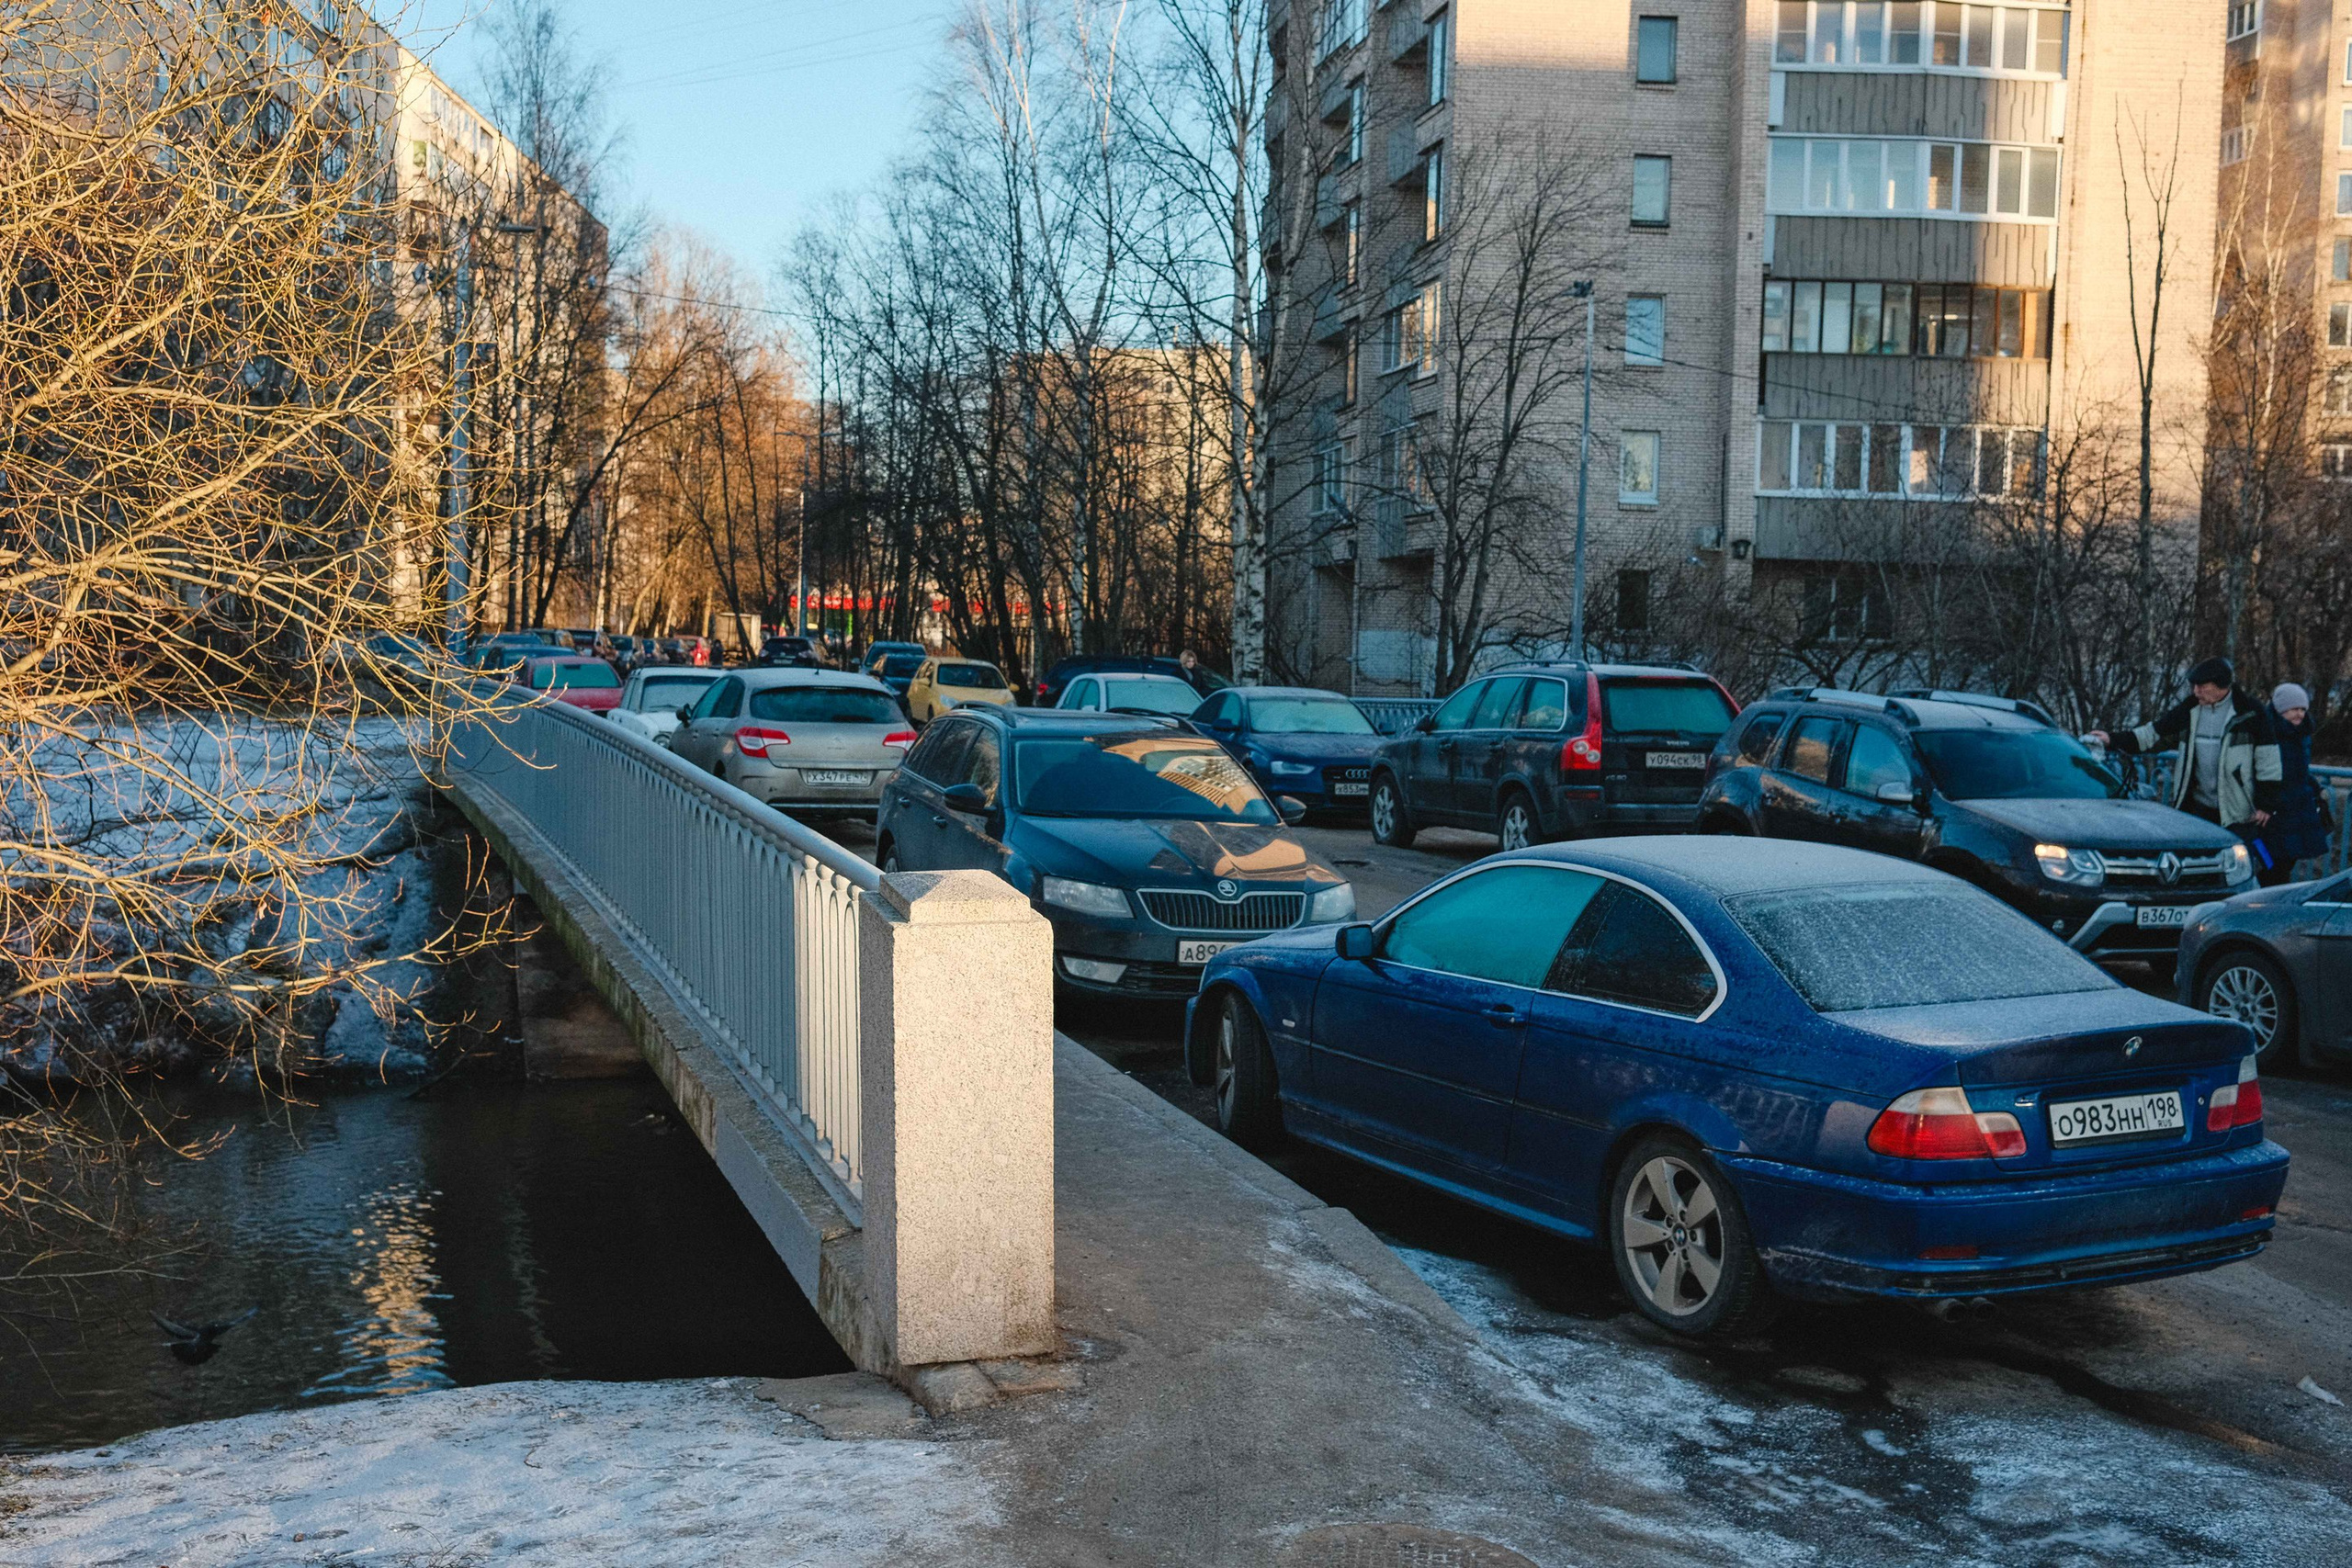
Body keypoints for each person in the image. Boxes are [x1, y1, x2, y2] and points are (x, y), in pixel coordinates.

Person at [2089, 657, 2281, 832]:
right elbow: (2153, 734)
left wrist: (2266, 805)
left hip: (2238, 814)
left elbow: (2268, 761)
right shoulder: (2189, 709)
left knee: (2236, 866)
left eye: (2201, 686)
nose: (2196, 691)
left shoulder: (2251, 713)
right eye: (2194, 685)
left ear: (2221, 685)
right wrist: (2112, 740)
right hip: (2195, 808)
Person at [2257, 682, 2330, 886]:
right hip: (2274, 809)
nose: (2300, 714)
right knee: (2270, 861)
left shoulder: (2301, 734)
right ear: (2281, 710)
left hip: (2295, 806)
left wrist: (2315, 788)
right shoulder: (2268, 733)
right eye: (2294, 709)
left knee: (2285, 861)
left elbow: (2299, 770)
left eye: (2303, 709)